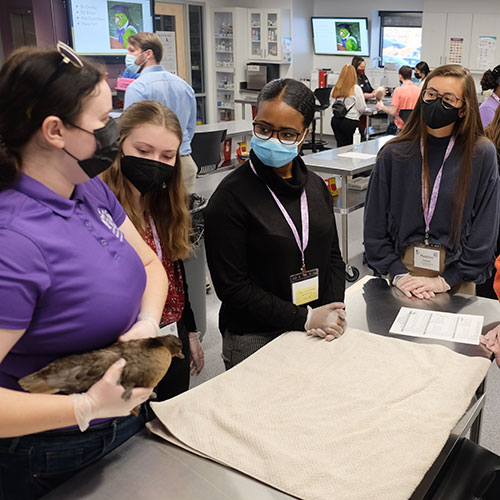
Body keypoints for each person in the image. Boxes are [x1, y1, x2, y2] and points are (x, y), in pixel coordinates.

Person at [0, 43, 168, 499]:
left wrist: (147, 323)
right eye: (102, 122)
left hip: (117, 423)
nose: (113, 131)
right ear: (55, 130)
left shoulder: (88, 188)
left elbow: (150, 264)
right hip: (47, 450)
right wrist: (83, 406)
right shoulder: (14, 242)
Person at [204, 79, 346, 369]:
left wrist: (331, 309)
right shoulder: (230, 198)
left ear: (305, 134)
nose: (272, 139)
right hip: (255, 337)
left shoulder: (316, 188)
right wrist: (305, 317)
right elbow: (233, 288)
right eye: (264, 129)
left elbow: (333, 256)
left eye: (287, 133)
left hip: (317, 326)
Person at [364, 64, 500, 300]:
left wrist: (447, 279)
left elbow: (485, 229)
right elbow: (374, 224)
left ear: (463, 108)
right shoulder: (394, 153)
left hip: (456, 277)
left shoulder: (480, 153)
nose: (437, 102)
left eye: (448, 98)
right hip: (401, 274)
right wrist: (398, 274)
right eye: (431, 94)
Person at [101, 100, 204, 398]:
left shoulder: (164, 205)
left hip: (171, 333)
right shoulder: (101, 209)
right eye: (143, 152)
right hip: (126, 340)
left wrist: (191, 334)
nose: (155, 162)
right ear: (119, 146)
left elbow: (174, 273)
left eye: (167, 155)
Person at [123, 32, 198, 194]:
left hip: (150, 167)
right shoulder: (184, 86)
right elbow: (190, 129)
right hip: (184, 162)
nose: (127, 56)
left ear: (148, 54)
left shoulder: (138, 88)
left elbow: (128, 133)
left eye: (131, 51)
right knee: (183, 216)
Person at [330, 64, 372, 147]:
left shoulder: (335, 88)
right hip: (351, 122)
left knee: (340, 147)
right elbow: (362, 108)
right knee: (353, 148)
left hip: (336, 121)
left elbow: (332, 105)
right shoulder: (356, 89)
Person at [376, 65, 421, 130]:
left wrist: (382, 107)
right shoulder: (419, 90)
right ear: (411, 76)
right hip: (414, 126)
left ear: (400, 76)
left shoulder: (398, 90)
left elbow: (392, 112)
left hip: (401, 126)